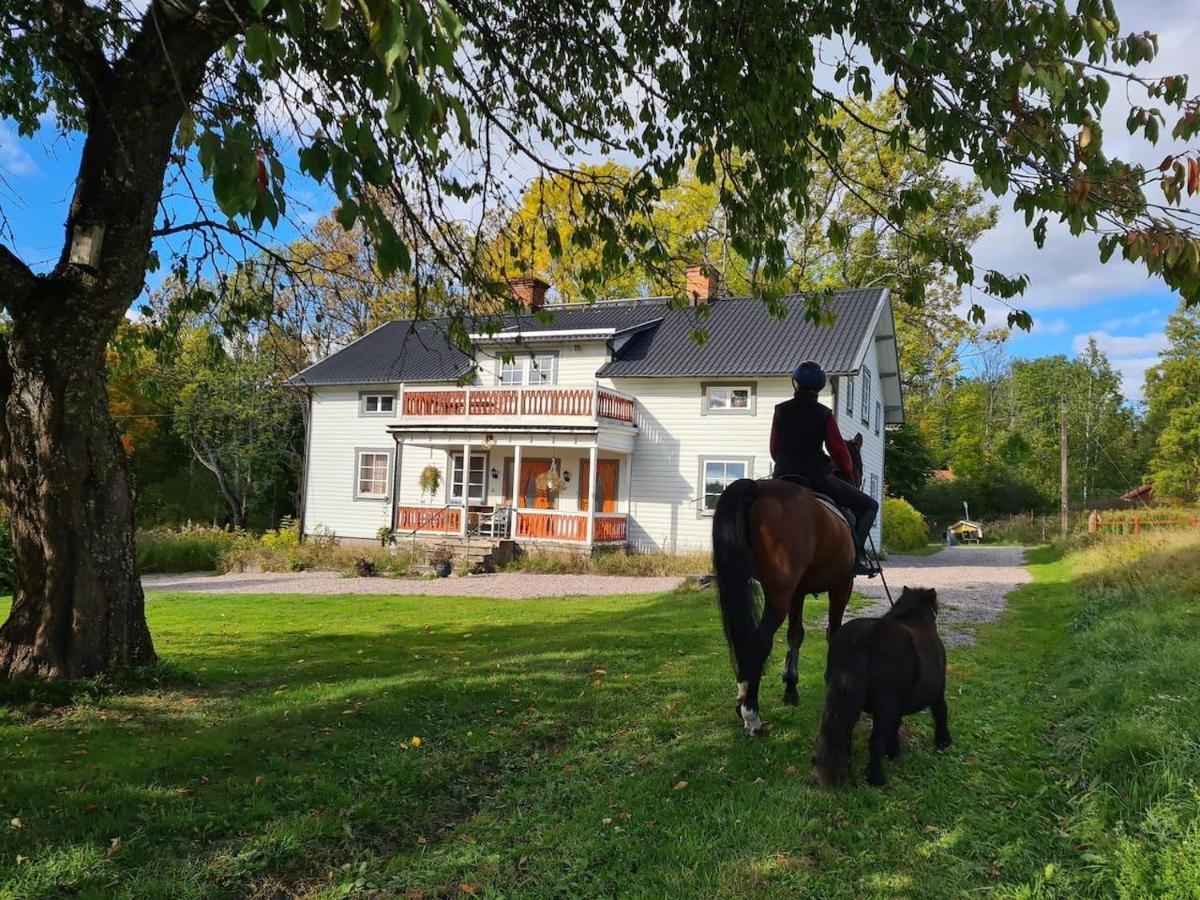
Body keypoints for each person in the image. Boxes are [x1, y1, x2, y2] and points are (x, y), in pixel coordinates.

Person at [769, 361, 879, 576]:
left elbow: (774, 449)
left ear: (795, 383)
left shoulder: (780, 410)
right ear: (819, 386)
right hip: (816, 477)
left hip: (782, 475)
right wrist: (844, 468)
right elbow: (841, 455)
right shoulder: (824, 414)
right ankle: (855, 559)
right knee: (869, 506)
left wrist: (786, 462)